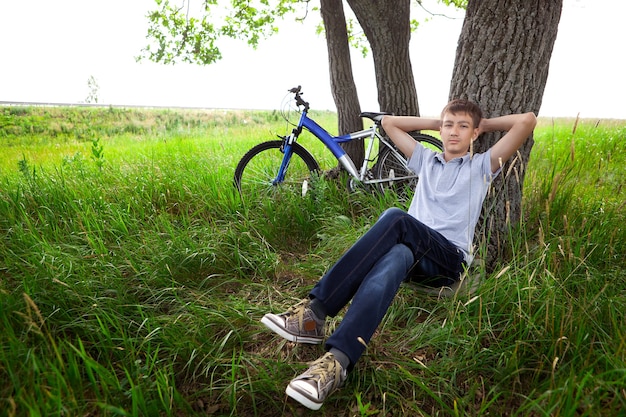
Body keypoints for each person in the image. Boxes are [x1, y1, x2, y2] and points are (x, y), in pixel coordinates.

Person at [261, 99, 537, 410]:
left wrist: (481, 125)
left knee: (396, 217)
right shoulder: (426, 161)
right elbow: (389, 123)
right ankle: (336, 363)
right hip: (412, 251)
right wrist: (440, 122)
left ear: (474, 134)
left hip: (448, 260)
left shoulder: (482, 166)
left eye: (463, 127)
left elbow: (526, 120)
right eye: (449, 126)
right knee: (396, 256)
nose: (453, 132)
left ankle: (317, 310)